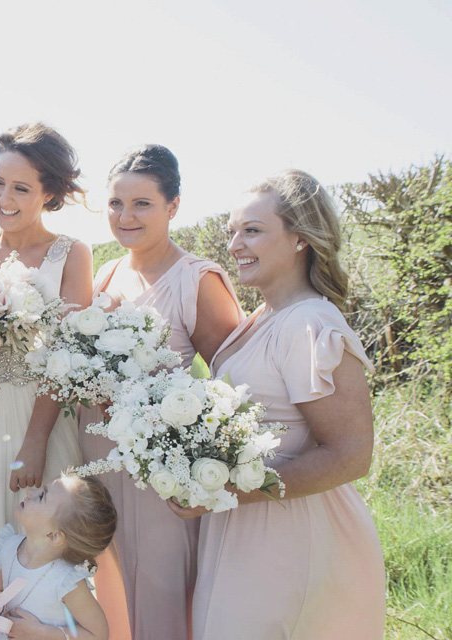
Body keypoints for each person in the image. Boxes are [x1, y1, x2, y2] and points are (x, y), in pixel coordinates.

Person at [169, 170, 386, 639]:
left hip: (291, 534)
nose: (234, 245)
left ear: (300, 240)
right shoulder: (262, 318)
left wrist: (222, 492)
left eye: (252, 230)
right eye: (231, 232)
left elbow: (351, 455)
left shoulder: (310, 324)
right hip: (243, 527)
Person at [77, 145, 242, 638]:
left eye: (142, 203)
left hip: (158, 469)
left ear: (172, 206)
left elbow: (232, 385)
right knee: (112, 592)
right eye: (115, 203)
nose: (125, 216)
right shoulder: (106, 274)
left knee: (162, 590)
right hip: (100, 458)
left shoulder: (198, 279)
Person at [0, 122, 94, 587]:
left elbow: (68, 356)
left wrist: (36, 441)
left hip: (41, 419)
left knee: (45, 562)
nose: (4, 197)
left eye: (21, 187)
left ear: (48, 193)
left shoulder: (71, 254)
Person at [0, 472, 116, 640]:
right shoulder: (7, 547)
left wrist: (41, 633)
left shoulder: (66, 581)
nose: (30, 492)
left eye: (41, 496)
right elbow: (1, 599)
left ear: (53, 536)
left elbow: (98, 634)